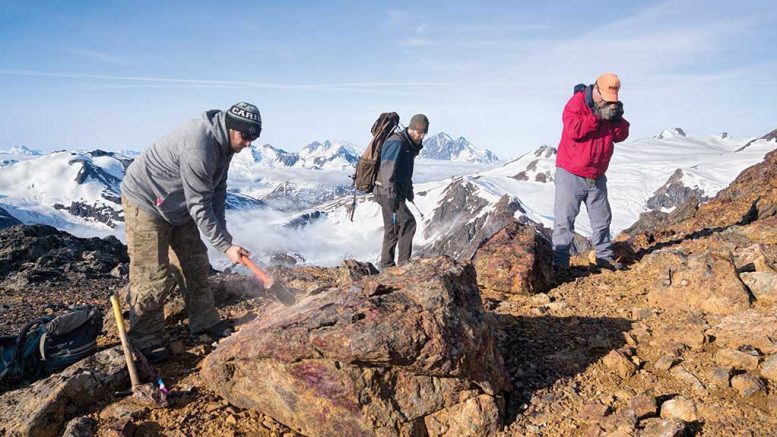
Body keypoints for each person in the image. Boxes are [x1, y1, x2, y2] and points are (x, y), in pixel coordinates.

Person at [119, 102, 261, 362]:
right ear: (232, 128)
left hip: (177, 204)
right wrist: (225, 247)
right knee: (153, 274)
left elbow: (216, 191)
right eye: (246, 136)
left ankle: (205, 322)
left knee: (195, 263)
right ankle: (145, 338)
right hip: (147, 202)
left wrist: (225, 240)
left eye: (255, 137)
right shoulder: (200, 146)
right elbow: (199, 204)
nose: (249, 143)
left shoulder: (226, 144)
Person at [552, 73, 630, 272]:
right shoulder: (576, 103)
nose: (607, 102)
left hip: (596, 175)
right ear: (596, 90)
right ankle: (559, 264)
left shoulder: (608, 106)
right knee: (564, 221)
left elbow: (620, 136)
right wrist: (597, 116)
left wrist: (617, 119)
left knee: (602, 219)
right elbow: (574, 130)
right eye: (604, 98)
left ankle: (604, 257)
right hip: (571, 172)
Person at [373, 114, 429, 268]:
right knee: (409, 223)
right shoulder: (397, 143)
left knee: (392, 230)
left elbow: (404, 172)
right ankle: (403, 266)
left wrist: (408, 191)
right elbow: (387, 170)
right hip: (387, 192)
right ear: (411, 128)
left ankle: (386, 268)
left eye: (423, 133)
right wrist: (391, 197)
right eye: (419, 132)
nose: (421, 136)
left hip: (389, 191)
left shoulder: (408, 145)